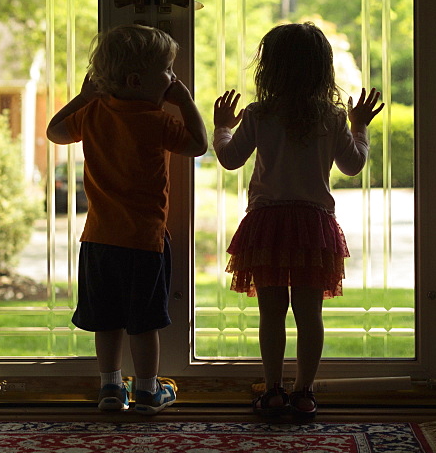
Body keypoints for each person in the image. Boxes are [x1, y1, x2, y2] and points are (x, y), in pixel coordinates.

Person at [212, 22, 383, 420]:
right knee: (310, 315)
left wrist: (222, 127)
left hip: (268, 225)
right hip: (312, 227)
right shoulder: (331, 116)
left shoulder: (260, 114)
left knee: (271, 313)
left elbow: (230, 158)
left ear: (269, 68)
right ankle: (304, 393)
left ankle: (272, 391)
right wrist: (359, 128)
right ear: (323, 68)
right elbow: (353, 165)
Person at [47, 24, 208, 414]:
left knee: (107, 320)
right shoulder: (158, 120)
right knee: (142, 322)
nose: (173, 78)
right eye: (168, 71)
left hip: (99, 240)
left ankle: (110, 387)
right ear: (138, 80)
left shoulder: (92, 113)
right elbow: (198, 144)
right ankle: (148, 391)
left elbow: (54, 132)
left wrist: (82, 97)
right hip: (144, 241)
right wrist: (184, 101)